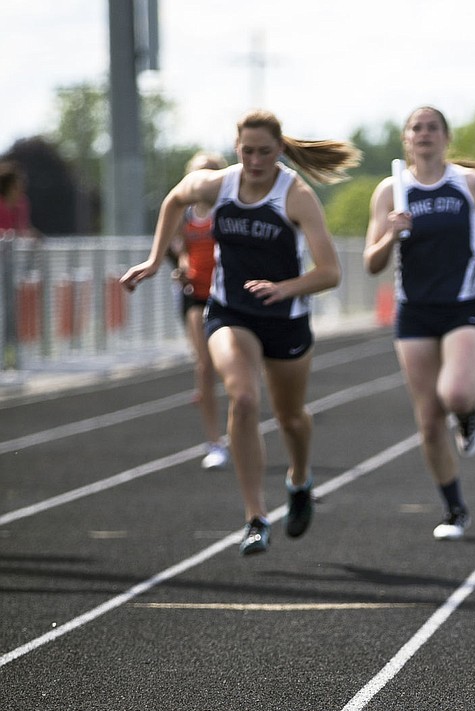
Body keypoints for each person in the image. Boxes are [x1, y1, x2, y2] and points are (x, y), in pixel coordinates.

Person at [121, 110, 360, 554]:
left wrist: (284, 288)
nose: (254, 161)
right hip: (230, 311)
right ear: (237, 149)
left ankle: (300, 479)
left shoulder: (297, 196)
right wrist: (156, 260)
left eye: (264, 152)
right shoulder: (219, 184)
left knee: (291, 418)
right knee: (245, 399)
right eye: (247, 151)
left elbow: (330, 272)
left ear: (279, 151)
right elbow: (175, 199)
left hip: (285, 317)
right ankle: (255, 517)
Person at [364, 107, 475, 540]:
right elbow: (372, 263)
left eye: (432, 128)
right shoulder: (391, 190)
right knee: (427, 420)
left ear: (446, 137)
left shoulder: (470, 184)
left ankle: (468, 414)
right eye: (416, 128)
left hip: (462, 304)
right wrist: (391, 233)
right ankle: (455, 508)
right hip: (415, 310)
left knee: (456, 392)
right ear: (406, 138)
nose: (424, 135)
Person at [170, 151, 231, 470]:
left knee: (231, 369)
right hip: (196, 295)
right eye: (196, 174)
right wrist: (181, 268)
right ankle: (214, 442)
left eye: (208, 173)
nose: (201, 180)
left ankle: (239, 426)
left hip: (228, 295)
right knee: (204, 367)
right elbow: (181, 250)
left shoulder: (228, 210)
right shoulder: (185, 213)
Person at [0, 160, 35, 237]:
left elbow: (24, 229)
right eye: (16, 186)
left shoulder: (23, 203)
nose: (22, 188)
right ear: (8, 186)